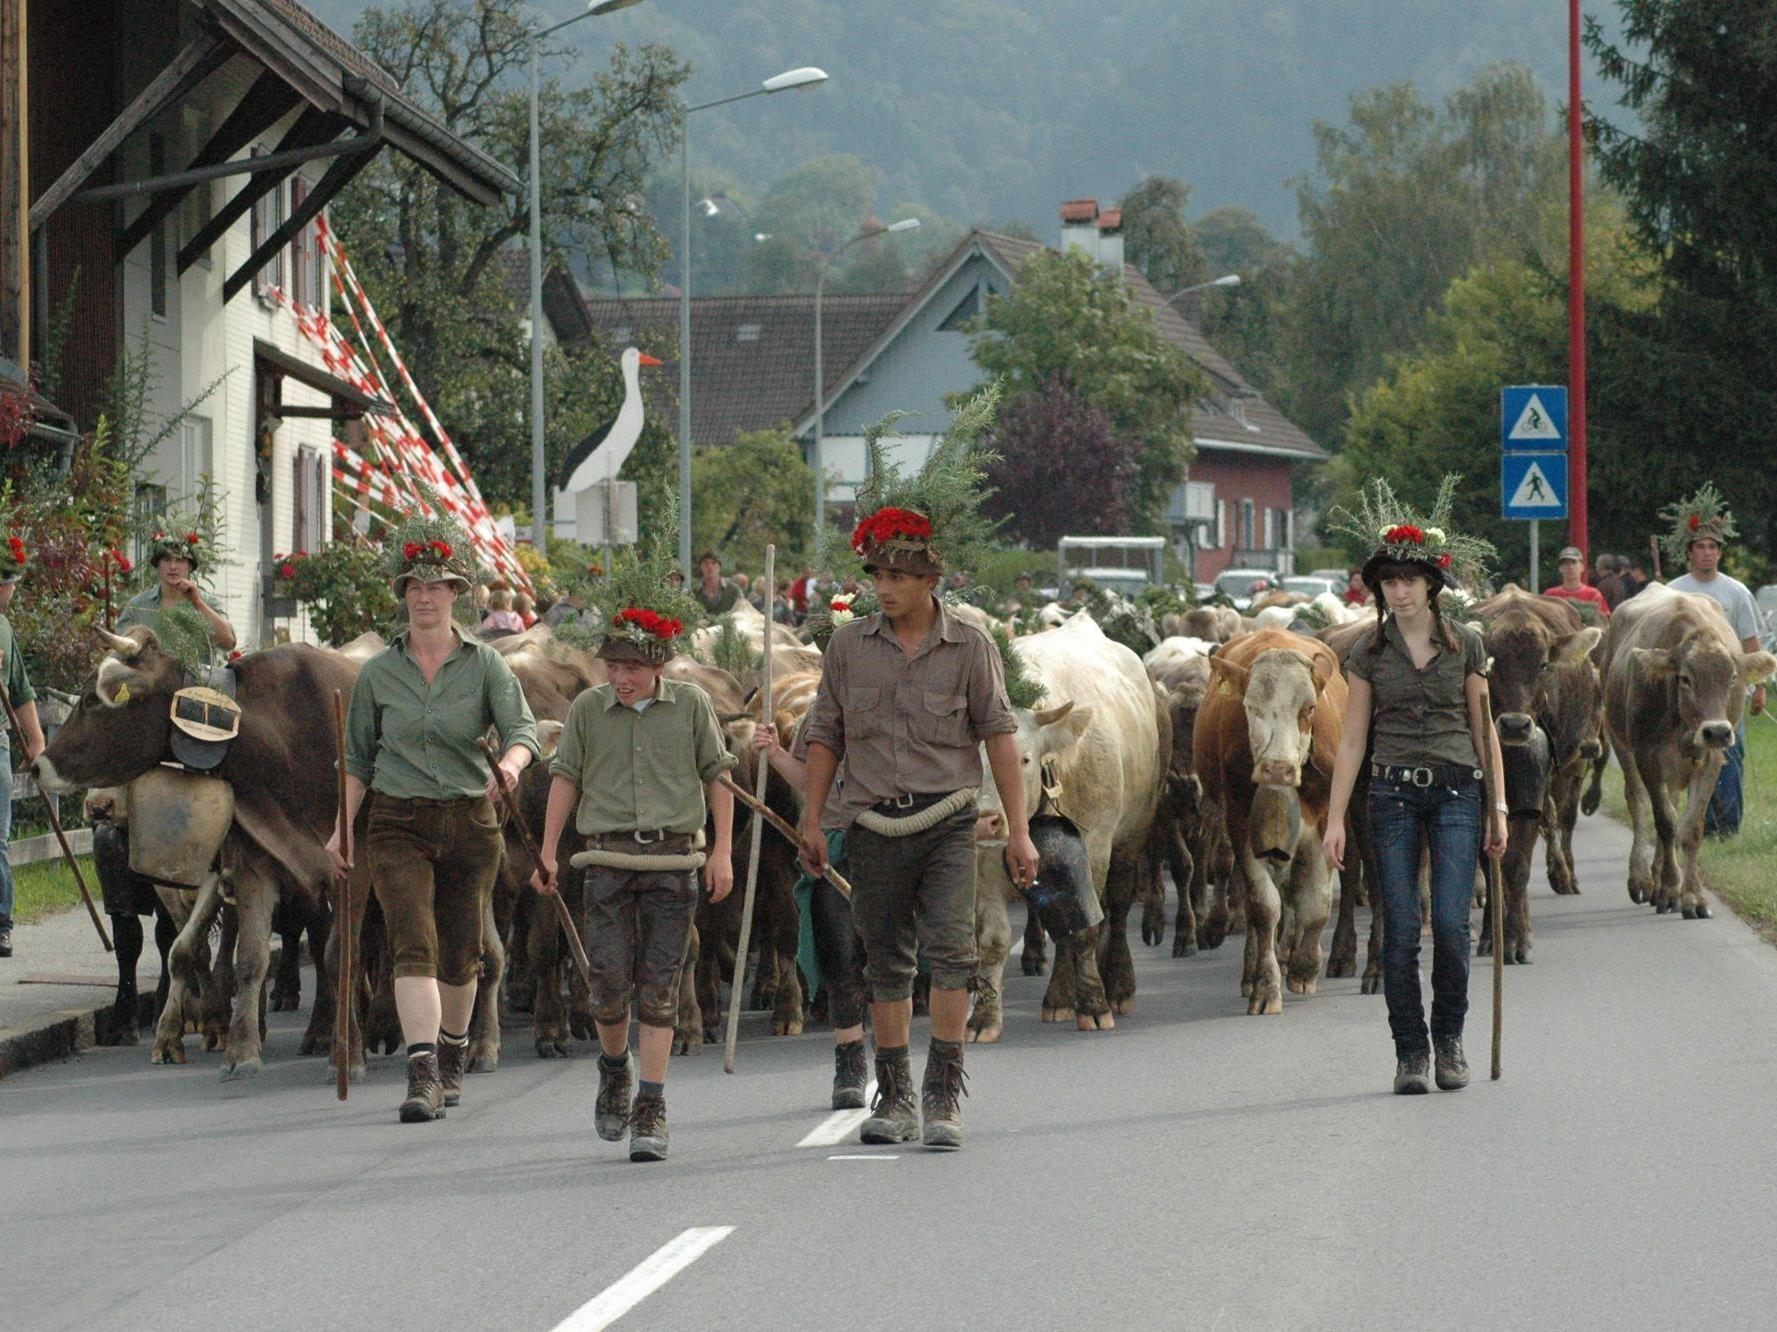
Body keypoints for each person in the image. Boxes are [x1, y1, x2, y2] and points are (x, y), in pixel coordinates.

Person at [796, 505, 1039, 1149]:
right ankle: (896, 1096)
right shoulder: (848, 647)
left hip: (947, 822)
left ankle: (942, 1096)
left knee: (953, 953)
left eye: (897, 577)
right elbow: (826, 735)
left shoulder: (970, 646)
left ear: (930, 581)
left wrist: (1019, 829)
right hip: (872, 825)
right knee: (885, 963)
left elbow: (999, 738)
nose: (883, 587)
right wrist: (813, 819)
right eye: (877, 574)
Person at [328, 523, 539, 1123]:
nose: (425, 597)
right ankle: (421, 1073)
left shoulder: (487, 665)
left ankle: (452, 1053)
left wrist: (510, 764)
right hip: (396, 820)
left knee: (461, 954)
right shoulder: (376, 674)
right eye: (414, 586)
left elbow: (523, 731)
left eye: (437, 586)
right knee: (411, 944)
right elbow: (359, 759)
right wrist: (342, 828)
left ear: (456, 594)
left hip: (471, 820)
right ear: (403, 594)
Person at [532, 594, 734, 1162]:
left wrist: (722, 852)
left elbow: (718, 777)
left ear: (659, 667)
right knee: (606, 986)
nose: (621, 678)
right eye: (613, 667)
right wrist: (548, 850)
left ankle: (652, 1103)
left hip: (674, 862)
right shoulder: (588, 710)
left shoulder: (692, 706)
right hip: (606, 862)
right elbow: (565, 778)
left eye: (633, 668)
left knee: (661, 987)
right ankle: (614, 1067)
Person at [1324, 504, 1506, 1096]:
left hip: (1458, 791)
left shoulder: (1467, 645)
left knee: (1451, 927)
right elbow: (1352, 739)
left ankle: (1449, 1038)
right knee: (1398, 930)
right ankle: (1411, 1053)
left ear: (1432, 585)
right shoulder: (1369, 654)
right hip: (1391, 794)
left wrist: (1498, 806)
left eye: (1408, 580)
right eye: (1389, 582)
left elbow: (1485, 732)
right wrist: (1333, 821)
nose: (1398, 591)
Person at [752, 721, 872, 1109]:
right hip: (834, 842)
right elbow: (810, 781)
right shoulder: (819, 716)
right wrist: (776, 754)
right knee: (839, 954)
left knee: (891, 961)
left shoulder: (902, 696)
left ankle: (893, 1064)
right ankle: (850, 1063)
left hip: (893, 842)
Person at [1662, 485, 1767, 837]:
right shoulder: (1674, 590)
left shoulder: (1736, 592)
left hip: (1727, 689)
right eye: (1700, 547)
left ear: (1720, 553)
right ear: (1689, 552)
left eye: (1712, 548)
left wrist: (1759, 688)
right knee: (1681, 753)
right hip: (1688, 691)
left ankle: (1726, 828)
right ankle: (1688, 823)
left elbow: (1751, 642)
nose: (1706, 554)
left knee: (1728, 757)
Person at [0, 534, 45, 959]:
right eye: (9, 582)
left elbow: (20, 690)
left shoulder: (4, 627)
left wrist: (35, 739)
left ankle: (1, 923)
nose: (12, 591)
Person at [118, 531, 237, 655]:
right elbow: (122, 648)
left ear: (189, 566)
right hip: (151, 673)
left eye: (179, 560)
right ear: (158, 565)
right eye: (166, 560)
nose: (173, 566)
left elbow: (228, 643)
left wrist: (197, 603)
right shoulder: (138, 605)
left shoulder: (208, 603)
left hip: (195, 674)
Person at [1543, 546, 1610, 618]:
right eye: (1566, 563)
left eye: (1574, 562)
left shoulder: (1593, 594)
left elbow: (1605, 621)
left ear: (1582, 567)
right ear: (1560, 568)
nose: (1570, 567)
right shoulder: (1550, 595)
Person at [692, 550, 739, 615]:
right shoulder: (693, 592)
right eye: (706, 563)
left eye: (713, 563)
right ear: (700, 567)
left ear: (719, 567)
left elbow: (742, 611)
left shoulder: (733, 590)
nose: (709, 567)